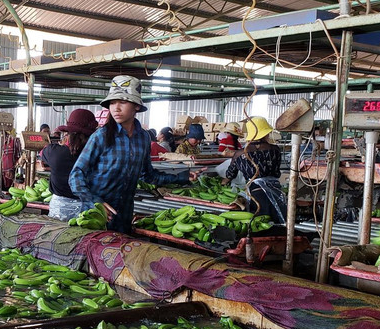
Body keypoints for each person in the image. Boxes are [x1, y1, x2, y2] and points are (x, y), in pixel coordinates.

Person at [69, 75, 197, 233]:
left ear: (136, 106)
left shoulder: (143, 138)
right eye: (112, 102)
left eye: (122, 102)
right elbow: (76, 174)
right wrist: (94, 201)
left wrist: (182, 177)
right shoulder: (101, 136)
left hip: (123, 216)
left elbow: (148, 176)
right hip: (95, 217)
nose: (116, 108)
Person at [223, 116, 286, 223]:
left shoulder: (240, 154)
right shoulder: (275, 149)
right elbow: (276, 170)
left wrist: (224, 182)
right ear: (265, 133)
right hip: (275, 191)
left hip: (255, 193)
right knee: (277, 222)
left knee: (259, 222)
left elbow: (230, 174)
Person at [39, 109, 98, 221]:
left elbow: (42, 151)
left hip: (60, 209)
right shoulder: (97, 155)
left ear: (68, 134)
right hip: (88, 211)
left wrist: (64, 144)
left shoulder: (56, 153)